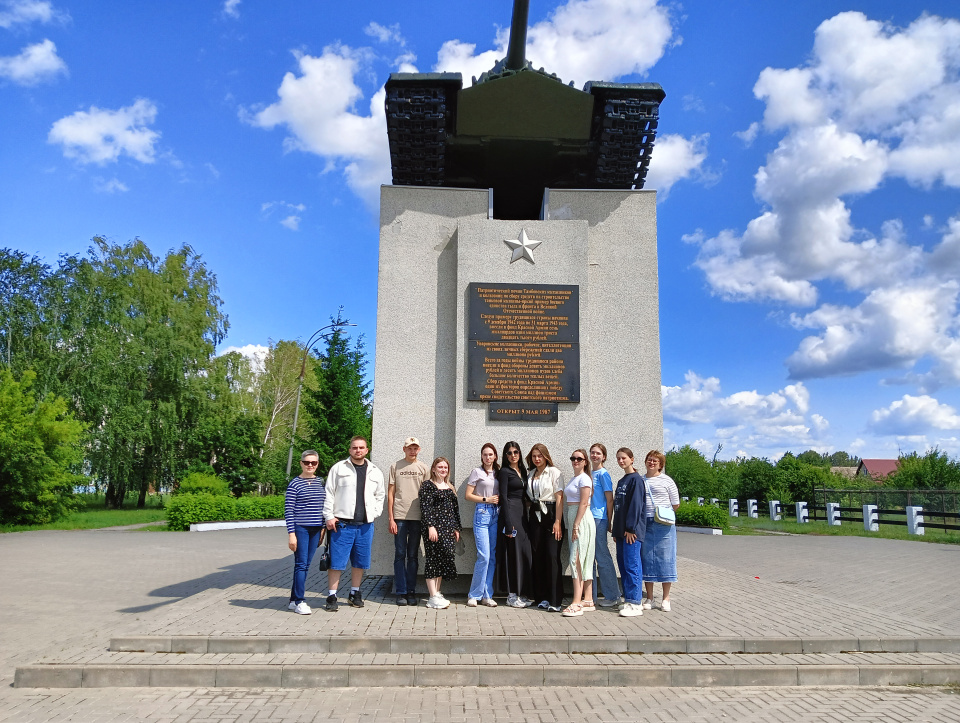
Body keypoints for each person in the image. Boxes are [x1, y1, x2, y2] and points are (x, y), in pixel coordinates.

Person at [322, 436, 385, 612]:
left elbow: (380, 495)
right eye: (354, 447)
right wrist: (328, 516)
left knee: (360, 561)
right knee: (336, 562)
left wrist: (375, 512)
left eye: (361, 447)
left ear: (367, 450)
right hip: (342, 525)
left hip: (365, 526)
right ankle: (332, 595)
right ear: (350, 450)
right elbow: (329, 493)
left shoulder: (375, 471)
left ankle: (354, 593)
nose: (358, 450)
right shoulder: (339, 468)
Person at [284, 449, 327, 615]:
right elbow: (289, 511)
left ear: (317, 464)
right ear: (301, 463)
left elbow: (323, 507)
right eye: (307, 462)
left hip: (316, 529)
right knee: (301, 565)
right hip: (301, 528)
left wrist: (323, 529)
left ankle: (293, 600)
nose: (310, 465)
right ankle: (301, 601)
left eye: (313, 462)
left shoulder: (321, 483)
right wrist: (291, 534)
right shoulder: (295, 484)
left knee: (305, 565)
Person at [387, 437, 429, 606]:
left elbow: (427, 495)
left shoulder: (424, 468)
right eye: (409, 448)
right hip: (400, 516)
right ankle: (401, 591)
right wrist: (391, 518)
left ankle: (411, 591)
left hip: (417, 517)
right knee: (400, 554)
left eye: (415, 448)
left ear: (419, 449)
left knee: (413, 556)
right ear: (404, 449)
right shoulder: (395, 466)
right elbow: (390, 493)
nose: (412, 451)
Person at [526, 443, 564, 612]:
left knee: (552, 556)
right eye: (534, 456)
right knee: (538, 556)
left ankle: (555, 600)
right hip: (535, 515)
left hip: (550, 514)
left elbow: (560, 498)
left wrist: (557, 521)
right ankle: (542, 597)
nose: (537, 459)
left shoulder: (554, 472)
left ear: (546, 456)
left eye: (539, 455)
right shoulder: (531, 473)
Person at [419, 457, 462, 609]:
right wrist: (431, 526)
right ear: (433, 469)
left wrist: (457, 528)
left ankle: (437, 592)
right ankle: (432, 597)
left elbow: (454, 510)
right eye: (440, 467)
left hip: (448, 528)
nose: (443, 469)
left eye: (445, 467)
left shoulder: (450, 486)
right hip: (434, 529)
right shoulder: (427, 486)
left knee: (443, 559)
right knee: (433, 560)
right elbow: (426, 507)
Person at [496, 441, 534, 608]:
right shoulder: (504, 472)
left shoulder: (523, 471)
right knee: (513, 555)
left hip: (522, 515)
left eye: (516, 452)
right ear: (506, 456)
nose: (513, 455)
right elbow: (503, 497)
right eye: (509, 453)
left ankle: (522, 592)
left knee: (525, 553)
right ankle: (512, 595)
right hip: (511, 514)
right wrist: (508, 523)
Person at [641, 450, 680, 612]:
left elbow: (675, 503)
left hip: (663, 525)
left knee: (666, 559)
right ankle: (649, 598)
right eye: (649, 460)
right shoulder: (641, 480)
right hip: (645, 523)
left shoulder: (667, 481)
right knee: (647, 560)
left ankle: (666, 598)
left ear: (660, 465)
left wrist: (662, 513)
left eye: (655, 461)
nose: (651, 463)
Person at [612, 447, 648, 617]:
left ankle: (635, 602)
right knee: (624, 565)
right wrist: (616, 530)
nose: (621, 461)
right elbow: (619, 507)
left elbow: (636, 506)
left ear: (632, 459)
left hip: (631, 532)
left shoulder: (637, 480)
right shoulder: (622, 481)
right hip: (621, 532)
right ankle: (629, 600)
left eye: (624, 458)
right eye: (618, 458)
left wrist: (630, 528)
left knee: (632, 565)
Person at [561, 448, 596, 617]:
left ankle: (576, 602)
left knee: (576, 559)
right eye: (573, 458)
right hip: (574, 516)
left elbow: (583, 503)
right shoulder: (575, 478)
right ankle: (588, 599)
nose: (575, 461)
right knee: (582, 557)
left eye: (579, 458)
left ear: (585, 461)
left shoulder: (585, 479)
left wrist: (575, 525)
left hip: (580, 518)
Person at [464, 443, 500, 607]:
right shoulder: (476, 472)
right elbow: (468, 495)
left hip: (496, 514)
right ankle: (474, 594)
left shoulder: (498, 473)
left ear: (495, 456)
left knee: (491, 557)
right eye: (485, 454)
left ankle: (487, 594)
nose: (488, 457)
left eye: (490, 454)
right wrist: (486, 499)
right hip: (482, 513)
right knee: (483, 556)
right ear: (481, 456)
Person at [589, 443, 621, 608]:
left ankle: (613, 595)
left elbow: (610, 499)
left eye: (598, 453)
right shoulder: (589, 473)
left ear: (604, 456)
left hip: (599, 519)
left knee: (602, 557)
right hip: (589, 518)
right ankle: (591, 597)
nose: (594, 456)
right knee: (590, 558)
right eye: (592, 453)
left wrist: (610, 521)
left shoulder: (603, 474)